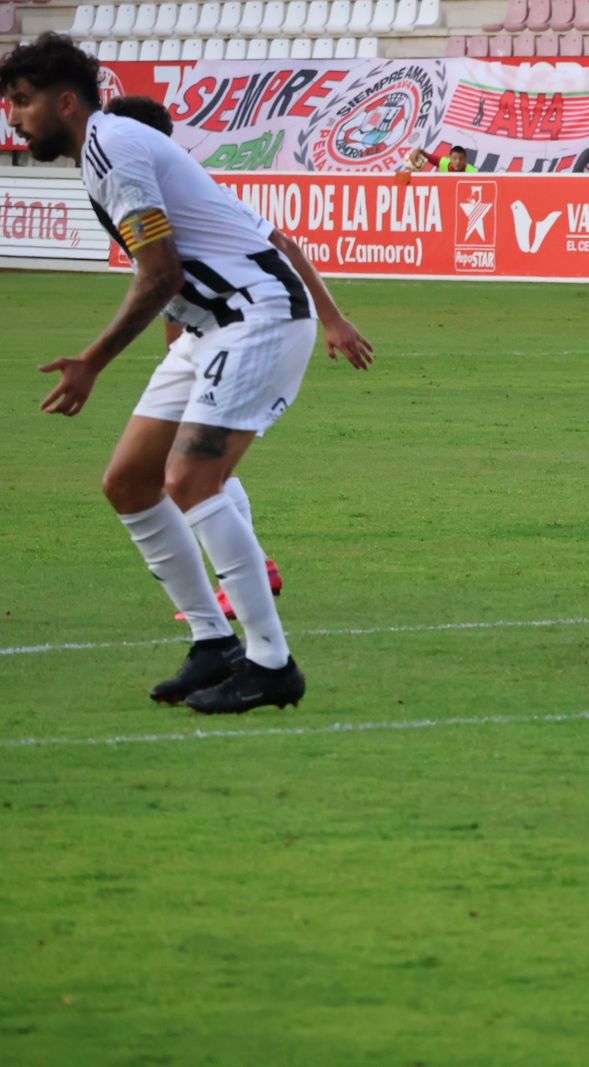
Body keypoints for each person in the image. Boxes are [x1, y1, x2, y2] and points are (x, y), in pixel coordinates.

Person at [3, 34, 365, 713]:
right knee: (130, 482)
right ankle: (213, 641)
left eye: (23, 102)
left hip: (258, 315)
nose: (14, 116)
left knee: (191, 478)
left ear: (66, 101)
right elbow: (176, 272)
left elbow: (160, 272)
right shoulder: (104, 150)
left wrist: (93, 362)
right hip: (212, 324)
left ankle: (270, 661)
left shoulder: (111, 148)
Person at [102, 94, 374, 623]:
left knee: (196, 466)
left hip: (248, 324)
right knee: (180, 464)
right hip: (204, 332)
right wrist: (179, 350)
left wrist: (335, 319)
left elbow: (283, 246)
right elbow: (163, 277)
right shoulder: (140, 192)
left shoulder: (195, 195)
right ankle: (249, 581)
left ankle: (253, 602)